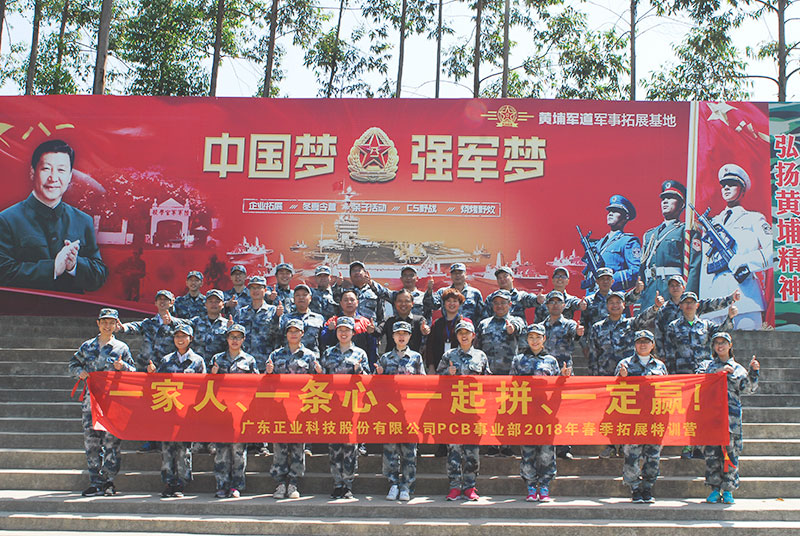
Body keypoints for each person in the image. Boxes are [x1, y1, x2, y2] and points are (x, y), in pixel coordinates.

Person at [0, 139, 107, 292]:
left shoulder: (83, 221)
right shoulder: (6, 220)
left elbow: (99, 276)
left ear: (70, 176)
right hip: (24, 307)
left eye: (61, 170)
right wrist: (54, 268)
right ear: (32, 172)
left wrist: (74, 265)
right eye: (46, 169)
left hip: (72, 307)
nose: (53, 177)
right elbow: (3, 273)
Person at [692, 164, 772, 330]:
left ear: (742, 190)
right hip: (714, 301)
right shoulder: (712, 223)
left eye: (732, 184)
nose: (726, 188)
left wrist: (744, 261)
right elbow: (705, 266)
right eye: (723, 185)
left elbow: (773, 252)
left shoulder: (754, 219)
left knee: (747, 345)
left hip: (745, 298)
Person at [69, 308, 135, 496]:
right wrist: (79, 372)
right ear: (98, 323)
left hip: (113, 402)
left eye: (111, 322)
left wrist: (123, 366)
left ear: (116, 325)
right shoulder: (87, 346)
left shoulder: (121, 348)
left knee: (112, 442)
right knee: (92, 442)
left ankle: (109, 481)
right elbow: (73, 364)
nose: (107, 326)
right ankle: (95, 481)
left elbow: (133, 372)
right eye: (104, 322)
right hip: (91, 401)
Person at [664, 291, 738, 459]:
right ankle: (686, 446)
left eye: (692, 302)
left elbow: (721, 335)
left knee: (702, 410)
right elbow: (669, 351)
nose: (689, 305)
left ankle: (700, 446)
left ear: (697, 305)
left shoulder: (706, 325)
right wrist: (671, 376)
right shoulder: (673, 326)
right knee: (685, 411)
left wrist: (730, 317)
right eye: (686, 302)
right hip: (683, 375)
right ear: (681, 306)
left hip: (704, 375)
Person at [588, 290, 660, 458]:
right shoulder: (598, 327)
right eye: (611, 303)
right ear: (606, 306)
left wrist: (655, 307)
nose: (615, 305)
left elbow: (645, 317)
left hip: (629, 378)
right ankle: (611, 445)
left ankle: (627, 444)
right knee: (610, 413)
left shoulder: (631, 324)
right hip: (607, 377)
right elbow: (593, 354)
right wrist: (594, 379)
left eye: (618, 302)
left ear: (624, 305)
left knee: (628, 411)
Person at [696, 332, 760, 504]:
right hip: (711, 417)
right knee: (712, 454)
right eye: (717, 343)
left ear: (730, 345)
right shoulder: (707, 366)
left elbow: (748, 389)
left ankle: (729, 490)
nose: (720, 346)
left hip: (731, 420)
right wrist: (718, 373)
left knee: (730, 454)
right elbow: (699, 383)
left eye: (723, 342)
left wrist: (754, 372)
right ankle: (714, 489)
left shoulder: (738, 369)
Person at [511, 323, 570, 502]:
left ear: (544, 339)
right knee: (528, 451)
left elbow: (557, 389)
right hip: (526, 411)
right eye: (531, 337)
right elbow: (511, 385)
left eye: (538, 337)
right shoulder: (518, 360)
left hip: (546, 413)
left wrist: (563, 377)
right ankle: (530, 486)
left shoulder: (551, 361)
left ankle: (544, 486)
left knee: (546, 452)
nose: (534, 341)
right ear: (527, 339)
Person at [146, 325, 206, 498]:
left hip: (187, 412)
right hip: (168, 410)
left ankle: (181, 482)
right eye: (177, 336)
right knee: (167, 448)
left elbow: (204, 387)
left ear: (191, 339)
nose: (180, 339)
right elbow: (157, 384)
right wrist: (152, 373)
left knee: (183, 449)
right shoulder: (166, 360)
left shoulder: (197, 361)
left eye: (184, 336)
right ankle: (169, 482)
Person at [265, 319, 322, 499]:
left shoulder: (310, 356)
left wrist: (320, 373)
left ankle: (294, 483)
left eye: (297, 331)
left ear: (302, 334)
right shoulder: (276, 355)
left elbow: (317, 383)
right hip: (280, 407)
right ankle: (280, 483)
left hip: (300, 407)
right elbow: (267, 383)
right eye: (290, 331)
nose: (293, 334)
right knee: (280, 446)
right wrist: (268, 373)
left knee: (298, 446)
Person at [437, 320, 491, 501]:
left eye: (467, 333)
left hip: (474, 411)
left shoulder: (481, 356)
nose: (464, 336)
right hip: (454, 410)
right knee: (453, 450)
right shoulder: (449, 355)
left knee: (472, 451)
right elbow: (437, 381)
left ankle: (469, 486)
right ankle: (454, 486)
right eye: (460, 333)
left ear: (473, 335)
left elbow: (488, 382)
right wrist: (448, 374)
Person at [615, 330, 668, 503]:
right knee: (632, 456)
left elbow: (668, 390)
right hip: (633, 418)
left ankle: (647, 487)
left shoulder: (660, 366)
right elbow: (614, 390)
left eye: (646, 341)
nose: (643, 344)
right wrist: (621, 378)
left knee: (653, 456)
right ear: (634, 344)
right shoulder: (625, 364)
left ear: (653, 345)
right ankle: (635, 488)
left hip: (654, 417)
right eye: (639, 341)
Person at [375, 321, 426, 501]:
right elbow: (377, 387)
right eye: (398, 333)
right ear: (393, 336)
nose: (401, 336)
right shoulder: (385, 358)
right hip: (390, 411)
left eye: (405, 333)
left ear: (410, 336)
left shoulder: (416, 358)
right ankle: (393, 484)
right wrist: (379, 375)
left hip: (410, 411)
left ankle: (407, 486)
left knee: (409, 450)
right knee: (390, 450)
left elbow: (423, 384)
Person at [320, 316, 370, 499]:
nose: (343, 333)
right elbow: (321, 379)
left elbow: (368, 379)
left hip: (352, 405)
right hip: (333, 406)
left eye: (347, 330)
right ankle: (337, 483)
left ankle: (348, 483)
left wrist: (360, 371)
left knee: (350, 446)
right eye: (340, 330)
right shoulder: (328, 353)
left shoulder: (360, 354)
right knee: (334, 446)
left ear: (352, 333)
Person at [210, 324, 259, 498]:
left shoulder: (249, 360)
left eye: (238, 337)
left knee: (238, 451)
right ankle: (221, 485)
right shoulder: (217, 359)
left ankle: (236, 485)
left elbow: (256, 384)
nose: (235, 340)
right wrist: (212, 374)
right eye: (232, 337)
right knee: (221, 451)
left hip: (240, 411)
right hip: (221, 410)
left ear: (243, 340)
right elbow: (208, 385)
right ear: (227, 339)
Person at [638, 181, 700, 309]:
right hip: (649, 294)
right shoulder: (649, 235)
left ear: (682, 204)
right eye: (663, 199)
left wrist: (688, 298)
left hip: (672, 292)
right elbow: (642, 270)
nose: (665, 201)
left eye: (671, 198)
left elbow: (694, 267)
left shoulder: (686, 231)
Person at [653, 275, 739, 356]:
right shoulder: (663, 310)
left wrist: (730, 299)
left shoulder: (696, 309)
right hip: (677, 355)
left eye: (678, 285)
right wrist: (661, 354)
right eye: (672, 285)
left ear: (683, 288)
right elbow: (659, 334)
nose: (675, 288)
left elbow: (712, 304)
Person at [583, 195, 641, 292]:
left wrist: (609, 281)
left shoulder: (628, 242)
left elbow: (635, 271)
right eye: (609, 211)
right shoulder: (599, 244)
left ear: (626, 216)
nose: (610, 214)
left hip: (613, 296)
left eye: (615, 211)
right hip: (593, 295)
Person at [320, 289, 378, 368]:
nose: (349, 302)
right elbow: (323, 341)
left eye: (352, 300)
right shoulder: (333, 321)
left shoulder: (365, 322)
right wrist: (330, 331)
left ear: (357, 302)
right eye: (346, 300)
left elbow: (372, 348)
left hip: (358, 365)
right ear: (341, 303)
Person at [234, 275, 281, 372]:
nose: (255, 291)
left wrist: (277, 317)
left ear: (265, 290)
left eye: (259, 287)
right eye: (253, 288)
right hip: (244, 364)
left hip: (266, 363)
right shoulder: (241, 313)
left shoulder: (273, 311)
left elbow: (279, 335)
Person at [375, 289, 430, 354]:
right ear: (395, 303)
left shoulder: (419, 320)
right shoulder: (389, 321)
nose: (403, 304)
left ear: (412, 303)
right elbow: (378, 332)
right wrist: (372, 329)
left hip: (413, 359)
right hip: (391, 359)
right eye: (400, 301)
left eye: (407, 301)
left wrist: (425, 330)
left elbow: (424, 328)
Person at [278, 284, 325, 356]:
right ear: (293, 299)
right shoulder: (285, 318)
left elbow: (322, 343)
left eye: (304, 295)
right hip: (290, 358)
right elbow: (278, 339)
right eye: (297, 295)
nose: (301, 297)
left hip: (312, 359)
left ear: (310, 298)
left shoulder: (319, 319)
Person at [191, 289, 231, 367]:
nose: (213, 304)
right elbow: (181, 323)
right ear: (205, 304)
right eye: (210, 301)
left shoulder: (228, 324)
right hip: (198, 366)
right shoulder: (196, 322)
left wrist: (230, 331)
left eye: (217, 301)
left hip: (219, 367)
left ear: (223, 304)